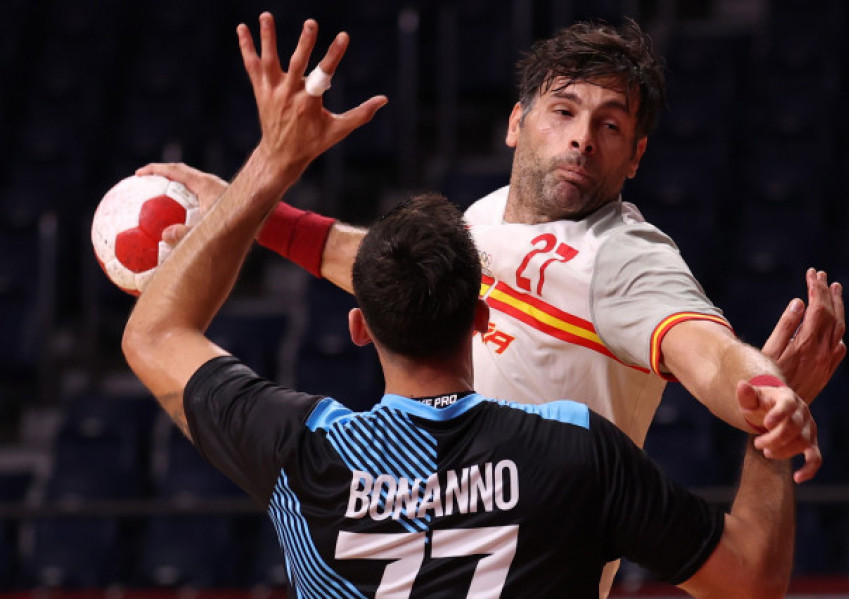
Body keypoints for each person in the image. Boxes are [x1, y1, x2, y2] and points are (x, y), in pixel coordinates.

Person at [124, 15, 803, 597]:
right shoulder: (574, 434)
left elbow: (707, 350)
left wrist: (762, 389)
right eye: (564, 111)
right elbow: (395, 266)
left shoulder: (625, 257)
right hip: (534, 506)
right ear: (516, 122)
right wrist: (257, 210)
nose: (582, 138)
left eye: (610, 124)